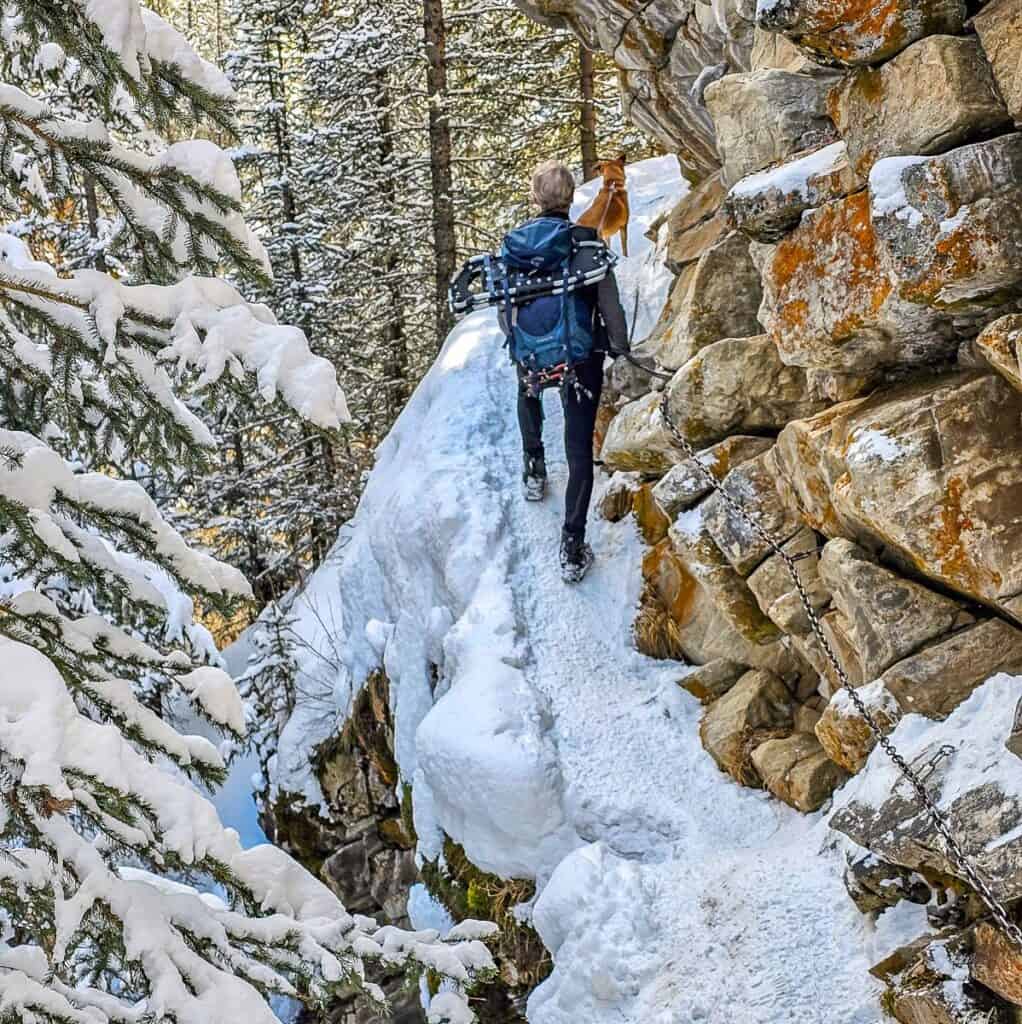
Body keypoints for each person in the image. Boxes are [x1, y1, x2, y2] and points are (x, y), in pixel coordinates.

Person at [499, 160, 630, 583]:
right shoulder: (584, 241)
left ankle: (533, 466)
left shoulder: (515, 246)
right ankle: (572, 546)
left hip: (533, 358)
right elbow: (608, 300)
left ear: (535, 199)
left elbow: (506, 308)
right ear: (572, 198)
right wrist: (618, 345)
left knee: (528, 391)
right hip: (580, 359)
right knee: (578, 453)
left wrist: (520, 346)